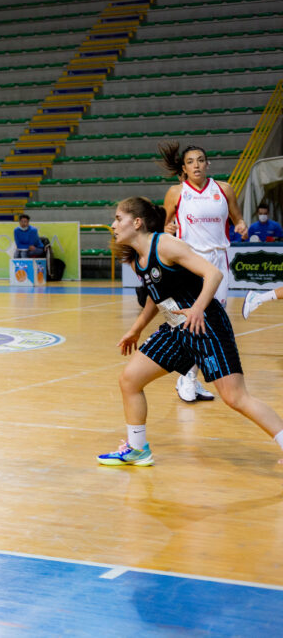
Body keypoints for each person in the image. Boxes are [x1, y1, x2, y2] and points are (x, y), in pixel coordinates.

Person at [97, 196, 283, 466]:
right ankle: (138, 450)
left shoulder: (165, 244)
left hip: (205, 323)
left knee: (234, 397)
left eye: (118, 218)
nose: (113, 224)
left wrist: (197, 308)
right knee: (130, 380)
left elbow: (213, 274)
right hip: (176, 328)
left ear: (136, 222)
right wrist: (136, 329)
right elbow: (155, 296)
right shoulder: (138, 259)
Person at [159, 141, 247, 403]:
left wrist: (241, 225)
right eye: (190, 162)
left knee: (210, 319)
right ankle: (188, 376)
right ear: (184, 169)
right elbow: (165, 227)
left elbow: (237, 218)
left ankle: (189, 376)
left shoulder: (224, 189)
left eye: (200, 160)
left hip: (218, 262)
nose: (196, 165)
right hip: (189, 260)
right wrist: (168, 229)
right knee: (190, 318)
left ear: (208, 164)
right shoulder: (176, 193)